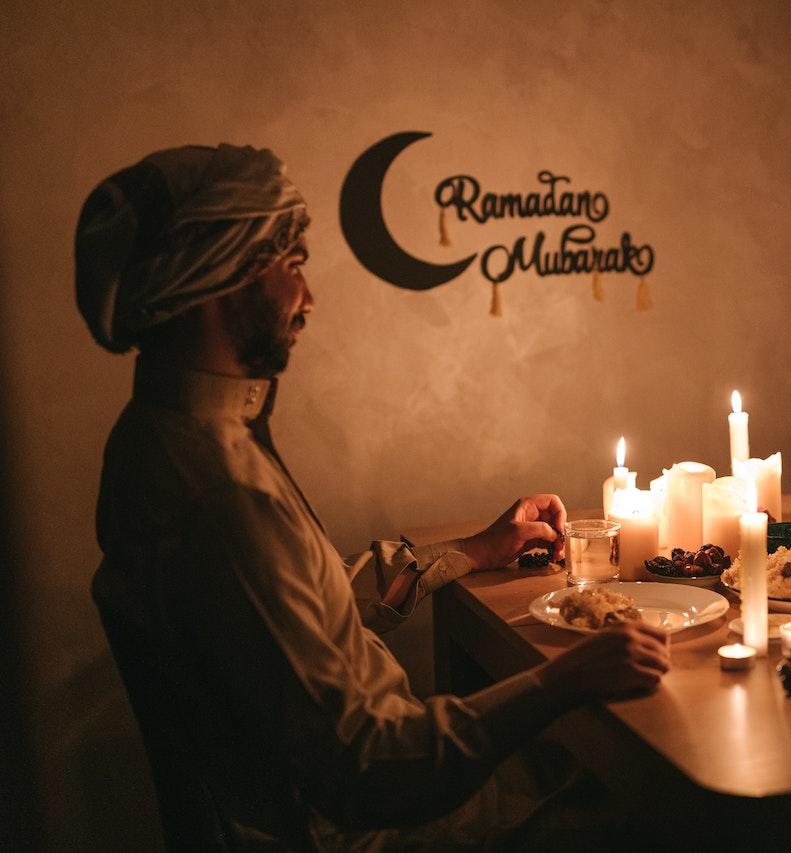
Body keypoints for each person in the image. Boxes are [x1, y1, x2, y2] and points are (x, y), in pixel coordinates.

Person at [76, 144, 670, 849]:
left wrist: (475, 549)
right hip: (375, 829)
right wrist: (561, 679)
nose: (308, 297)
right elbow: (367, 772)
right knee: (654, 802)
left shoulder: (152, 436)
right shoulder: (222, 492)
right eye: (291, 264)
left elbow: (296, 611)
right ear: (218, 274)